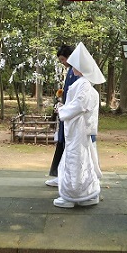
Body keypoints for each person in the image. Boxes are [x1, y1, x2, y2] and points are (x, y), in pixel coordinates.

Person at [53, 42, 104, 208]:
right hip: (78, 128)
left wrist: (62, 111)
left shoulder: (83, 84)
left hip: (78, 129)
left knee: (75, 159)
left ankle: (72, 195)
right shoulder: (83, 82)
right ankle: (87, 193)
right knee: (82, 159)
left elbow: (79, 105)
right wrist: (63, 107)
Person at [46, 44, 77, 187]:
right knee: (62, 145)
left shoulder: (77, 73)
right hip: (66, 114)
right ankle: (59, 175)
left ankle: (66, 177)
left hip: (73, 117)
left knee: (69, 149)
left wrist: (65, 108)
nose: (63, 63)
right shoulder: (71, 71)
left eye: (64, 59)